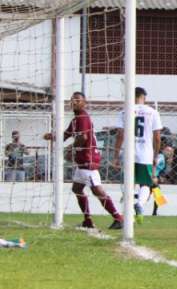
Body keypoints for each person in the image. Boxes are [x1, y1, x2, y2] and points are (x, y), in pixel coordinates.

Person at [43, 91, 123, 231]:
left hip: (88, 159)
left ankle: (118, 218)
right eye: (72, 99)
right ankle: (88, 221)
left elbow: (83, 138)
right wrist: (52, 136)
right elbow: (65, 135)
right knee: (77, 189)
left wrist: (71, 149)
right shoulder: (75, 120)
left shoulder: (83, 117)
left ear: (84, 103)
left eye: (78, 100)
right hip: (82, 161)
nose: (74, 102)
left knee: (97, 190)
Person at [114, 86, 162, 222]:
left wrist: (116, 156)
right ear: (144, 97)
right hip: (145, 155)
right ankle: (140, 205)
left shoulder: (124, 112)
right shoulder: (153, 112)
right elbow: (157, 137)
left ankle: (128, 214)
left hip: (128, 154)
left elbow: (120, 135)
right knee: (147, 184)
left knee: (129, 183)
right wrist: (156, 155)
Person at [151, 145, 173, 216]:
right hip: (152, 177)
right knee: (158, 194)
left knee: (149, 194)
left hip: (153, 176)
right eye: (167, 150)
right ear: (163, 150)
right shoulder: (161, 157)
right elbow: (154, 164)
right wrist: (154, 176)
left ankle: (154, 213)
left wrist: (160, 177)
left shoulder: (165, 159)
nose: (168, 152)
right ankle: (154, 213)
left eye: (170, 151)